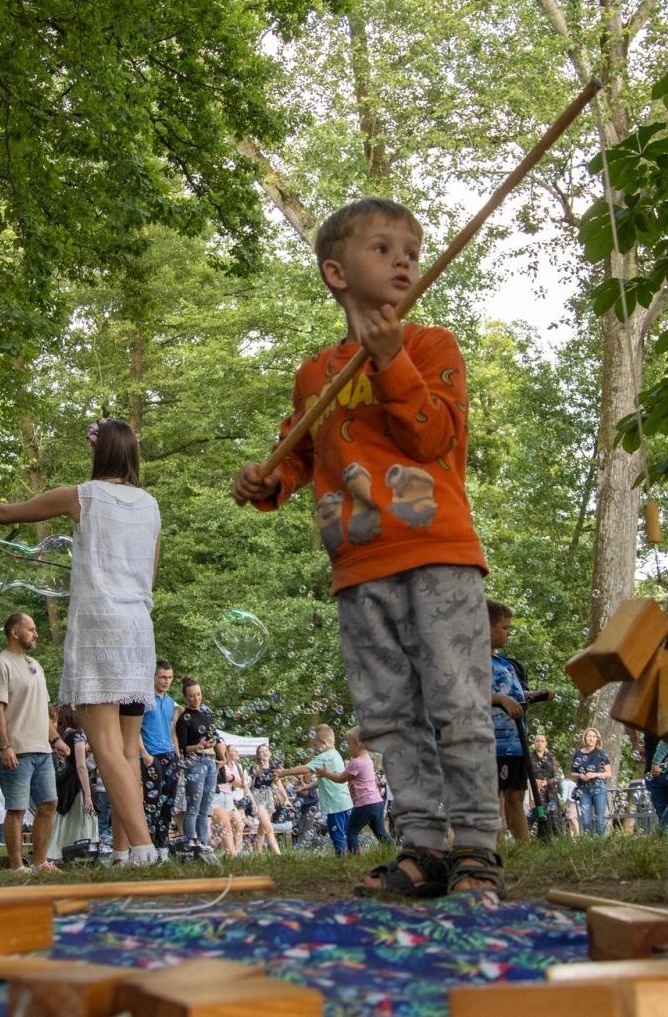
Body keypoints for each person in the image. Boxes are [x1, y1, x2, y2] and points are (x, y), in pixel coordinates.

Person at [232, 197, 500, 897]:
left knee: (458, 703)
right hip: (356, 564)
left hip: (437, 553)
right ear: (336, 272)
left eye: (411, 251)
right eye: (382, 249)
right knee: (388, 716)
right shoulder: (315, 373)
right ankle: (423, 847)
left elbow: (433, 437)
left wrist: (390, 361)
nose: (403, 260)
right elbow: (300, 452)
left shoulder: (431, 347)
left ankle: (476, 850)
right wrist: (268, 480)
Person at [0, 416, 160, 866]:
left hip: (100, 626)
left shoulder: (83, 495)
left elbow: (7, 513)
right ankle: (123, 852)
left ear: (100, 452)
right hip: (139, 629)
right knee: (126, 750)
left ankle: (144, 849)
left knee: (104, 746)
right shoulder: (151, 506)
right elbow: (148, 575)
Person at [0, 613, 59, 871]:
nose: (36, 634)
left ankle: (40, 862)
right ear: (15, 633)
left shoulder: (36, 665)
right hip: (16, 750)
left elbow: (42, 710)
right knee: (16, 809)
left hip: (43, 750)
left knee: (49, 804)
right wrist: (5, 746)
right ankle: (17, 866)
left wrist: (56, 739)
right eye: (31, 629)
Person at [277, 725, 354, 856]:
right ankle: (350, 856)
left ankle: (342, 859)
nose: (314, 748)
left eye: (315, 745)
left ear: (323, 743)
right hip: (345, 803)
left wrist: (284, 772)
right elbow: (327, 780)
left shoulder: (325, 756)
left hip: (334, 805)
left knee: (337, 835)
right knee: (346, 833)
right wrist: (308, 786)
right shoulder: (336, 755)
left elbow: (305, 768)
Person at [488, 602, 530, 841]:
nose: (508, 633)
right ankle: (492, 848)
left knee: (515, 795)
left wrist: (533, 695)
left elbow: (513, 694)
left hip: (515, 741)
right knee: (491, 797)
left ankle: (524, 848)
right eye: (504, 628)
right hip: (491, 742)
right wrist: (500, 699)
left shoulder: (504, 662)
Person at [316, 727, 391, 848]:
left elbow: (340, 779)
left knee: (351, 832)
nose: (347, 748)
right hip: (377, 803)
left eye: (349, 744)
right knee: (380, 832)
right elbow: (347, 776)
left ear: (357, 745)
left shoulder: (356, 763)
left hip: (364, 805)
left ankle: (355, 856)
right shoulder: (368, 760)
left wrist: (326, 773)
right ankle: (393, 850)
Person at [138, 661, 180, 860]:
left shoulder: (171, 702)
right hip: (151, 755)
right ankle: (148, 845)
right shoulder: (145, 700)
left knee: (168, 803)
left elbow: (172, 731)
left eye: (170, 677)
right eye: (163, 677)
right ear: (153, 677)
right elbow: (134, 729)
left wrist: (176, 754)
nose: (166, 681)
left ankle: (162, 845)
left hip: (169, 755)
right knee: (152, 803)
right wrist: (145, 755)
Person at [173, 677, 218, 860]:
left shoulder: (206, 714)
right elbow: (182, 748)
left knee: (205, 809)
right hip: (195, 762)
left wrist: (213, 744)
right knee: (193, 808)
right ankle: (191, 846)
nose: (196, 698)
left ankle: (203, 846)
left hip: (211, 760)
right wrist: (199, 746)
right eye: (192, 696)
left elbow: (214, 735)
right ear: (185, 698)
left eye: (198, 694)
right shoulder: (184, 719)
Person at [47, 705, 99, 861]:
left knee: (63, 821)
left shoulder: (60, 736)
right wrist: (88, 795)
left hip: (62, 786)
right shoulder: (77, 735)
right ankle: (82, 852)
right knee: (82, 820)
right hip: (76, 786)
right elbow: (81, 766)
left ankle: (57, 851)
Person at [569, 728, 612, 836]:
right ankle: (589, 844)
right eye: (589, 736)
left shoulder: (601, 754)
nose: (591, 738)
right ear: (585, 738)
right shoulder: (578, 753)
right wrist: (580, 775)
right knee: (586, 821)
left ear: (597, 739)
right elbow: (572, 772)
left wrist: (595, 774)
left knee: (600, 821)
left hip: (599, 788)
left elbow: (608, 773)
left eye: (593, 736)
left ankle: (600, 844)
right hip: (583, 790)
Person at [245, 744, 285, 855]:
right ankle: (278, 854)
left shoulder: (273, 768)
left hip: (268, 796)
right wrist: (252, 801)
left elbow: (279, 784)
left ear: (270, 753)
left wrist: (286, 798)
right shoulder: (255, 768)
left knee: (262, 828)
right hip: (257, 795)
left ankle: (257, 854)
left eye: (266, 750)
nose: (265, 753)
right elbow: (246, 785)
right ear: (258, 756)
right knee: (269, 828)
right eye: (262, 752)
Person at [528, 733, 562, 840]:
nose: (539, 743)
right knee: (539, 815)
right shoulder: (529, 757)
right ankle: (540, 841)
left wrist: (547, 782)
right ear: (534, 743)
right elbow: (524, 775)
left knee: (553, 817)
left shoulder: (551, 757)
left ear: (546, 743)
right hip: (535, 792)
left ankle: (555, 841)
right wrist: (534, 781)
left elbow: (557, 777)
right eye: (537, 741)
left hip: (550, 793)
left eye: (542, 741)